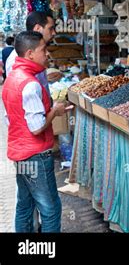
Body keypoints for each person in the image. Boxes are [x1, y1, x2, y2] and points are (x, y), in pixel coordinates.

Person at [3, 31, 71, 232]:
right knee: (50, 208)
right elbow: (37, 127)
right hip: (35, 156)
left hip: (20, 154)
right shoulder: (30, 84)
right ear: (30, 53)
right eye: (44, 49)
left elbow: (12, 119)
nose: (47, 54)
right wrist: (55, 111)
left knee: (24, 205)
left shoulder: (12, 77)